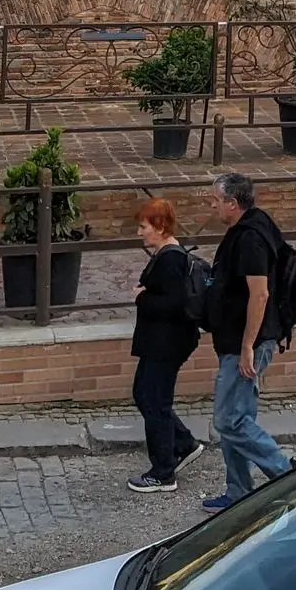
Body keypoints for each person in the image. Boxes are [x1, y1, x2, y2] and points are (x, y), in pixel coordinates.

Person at [201, 170, 294, 512]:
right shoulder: (248, 227)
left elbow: (260, 294)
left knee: (229, 421)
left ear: (232, 203)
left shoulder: (251, 238)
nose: (212, 206)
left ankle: (288, 477)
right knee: (238, 418)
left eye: (215, 200)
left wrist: (246, 348)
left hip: (247, 344)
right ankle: (238, 491)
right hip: (236, 341)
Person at [126, 198, 205, 494]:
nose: (139, 232)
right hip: (160, 342)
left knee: (155, 401)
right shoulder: (167, 254)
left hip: (166, 343)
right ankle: (183, 444)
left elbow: (175, 304)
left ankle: (163, 472)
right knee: (143, 393)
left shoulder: (170, 259)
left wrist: (142, 298)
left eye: (143, 226)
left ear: (160, 227)